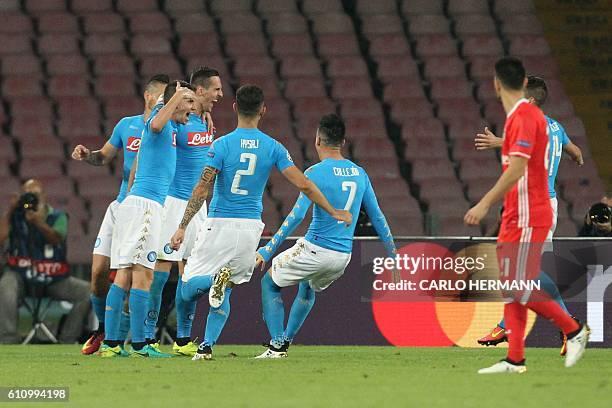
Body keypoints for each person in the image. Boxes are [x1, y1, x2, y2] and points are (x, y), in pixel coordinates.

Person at [170, 85, 352, 361]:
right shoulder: (274, 147)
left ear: (235, 108)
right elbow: (305, 184)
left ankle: (210, 284)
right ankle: (206, 346)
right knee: (227, 286)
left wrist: (183, 225)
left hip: (220, 222)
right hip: (251, 228)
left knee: (187, 289)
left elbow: (201, 188)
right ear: (263, 111)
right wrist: (333, 210)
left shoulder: (221, 145)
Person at [464, 57, 588, 374]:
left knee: (520, 281)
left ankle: (572, 328)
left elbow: (519, 164)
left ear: (497, 84)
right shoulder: (546, 122)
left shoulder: (525, 117)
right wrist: (572, 156)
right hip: (521, 207)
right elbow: (573, 152)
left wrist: (485, 203)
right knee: (513, 282)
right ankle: (515, 358)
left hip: (533, 208)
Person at [254, 114, 397, 358]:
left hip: (316, 249)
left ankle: (276, 345)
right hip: (342, 257)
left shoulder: (315, 172)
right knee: (307, 288)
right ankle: (286, 342)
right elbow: (378, 217)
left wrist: (269, 249)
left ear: (318, 140)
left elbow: (297, 216)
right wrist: (393, 254)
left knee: (269, 283)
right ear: (343, 142)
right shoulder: (359, 173)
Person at [71, 74, 169, 355]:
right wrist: (87, 154)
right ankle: (104, 330)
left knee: (133, 274)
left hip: (146, 207)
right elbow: (103, 156)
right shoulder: (127, 126)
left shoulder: (168, 128)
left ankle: (123, 338)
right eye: (163, 97)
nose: (166, 103)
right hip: (121, 207)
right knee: (99, 271)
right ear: (149, 97)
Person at [99, 81, 196, 358]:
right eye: (188, 103)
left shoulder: (172, 127)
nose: (192, 109)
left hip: (137, 204)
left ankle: (113, 343)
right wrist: (176, 96)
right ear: (174, 102)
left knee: (125, 275)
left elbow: (138, 166)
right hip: (145, 207)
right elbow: (155, 124)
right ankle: (140, 345)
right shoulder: (159, 121)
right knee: (143, 274)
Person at [144, 67, 223, 357]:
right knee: (161, 271)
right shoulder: (178, 120)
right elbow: (154, 122)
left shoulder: (203, 121)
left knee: (190, 271)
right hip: (173, 202)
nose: (220, 95)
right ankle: (148, 337)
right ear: (199, 91)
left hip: (197, 207)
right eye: (215, 89)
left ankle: (182, 339)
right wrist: (171, 100)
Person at [0, 179, 90, 343]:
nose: (32, 199)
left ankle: (67, 339)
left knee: (87, 291)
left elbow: (57, 238)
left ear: (44, 196)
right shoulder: (14, 216)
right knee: (6, 285)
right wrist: (10, 211)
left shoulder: (58, 216)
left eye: (35, 195)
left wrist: (38, 222)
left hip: (53, 278)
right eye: (28, 195)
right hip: (20, 277)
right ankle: (8, 340)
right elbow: (1, 238)